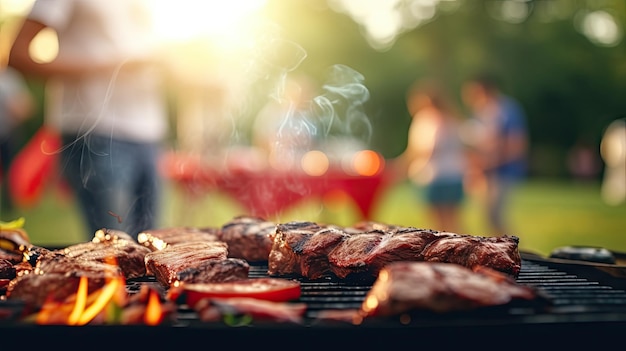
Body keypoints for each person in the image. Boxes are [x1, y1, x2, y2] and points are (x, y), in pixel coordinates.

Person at [9, 0, 170, 240]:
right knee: (114, 252)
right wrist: (111, 67)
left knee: (152, 252)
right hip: (97, 133)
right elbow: (18, 54)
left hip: (149, 134)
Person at [394, 79, 467, 234]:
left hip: (434, 176)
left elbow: (425, 149)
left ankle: (450, 254)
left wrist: (402, 166)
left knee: (440, 224)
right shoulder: (453, 118)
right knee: (452, 222)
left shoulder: (428, 119)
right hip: (453, 174)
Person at [461, 73, 529, 236]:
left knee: (496, 217)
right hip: (486, 173)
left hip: (503, 172)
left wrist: (489, 162)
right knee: (488, 218)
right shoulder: (481, 112)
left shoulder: (508, 110)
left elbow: (517, 145)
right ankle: (498, 253)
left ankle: (512, 252)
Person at [0, 66, 35, 214]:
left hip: (7, 134)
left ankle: (9, 203)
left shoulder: (10, 78)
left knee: (10, 170)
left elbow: (26, 108)